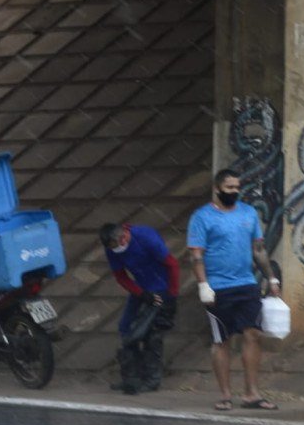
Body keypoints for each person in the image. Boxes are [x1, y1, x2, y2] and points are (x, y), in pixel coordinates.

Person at [187, 168, 282, 411]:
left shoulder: (248, 214)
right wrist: (203, 285)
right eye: (229, 187)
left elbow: (258, 249)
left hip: (247, 284)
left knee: (252, 335)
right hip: (218, 288)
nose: (235, 191)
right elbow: (196, 255)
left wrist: (271, 279)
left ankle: (252, 394)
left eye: (237, 187)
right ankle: (225, 395)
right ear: (217, 188)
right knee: (222, 340)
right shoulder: (202, 217)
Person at [100, 222, 180, 394]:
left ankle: (152, 379)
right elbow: (121, 277)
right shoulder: (112, 250)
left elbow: (172, 264)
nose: (115, 250)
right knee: (126, 328)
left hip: (161, 287)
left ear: (123, 238)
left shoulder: (145, 238)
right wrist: (140, 293)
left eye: (116, 246)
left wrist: (172, 294)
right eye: (111, 248)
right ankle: (131, 377)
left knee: (152, 334)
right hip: (142, 289)